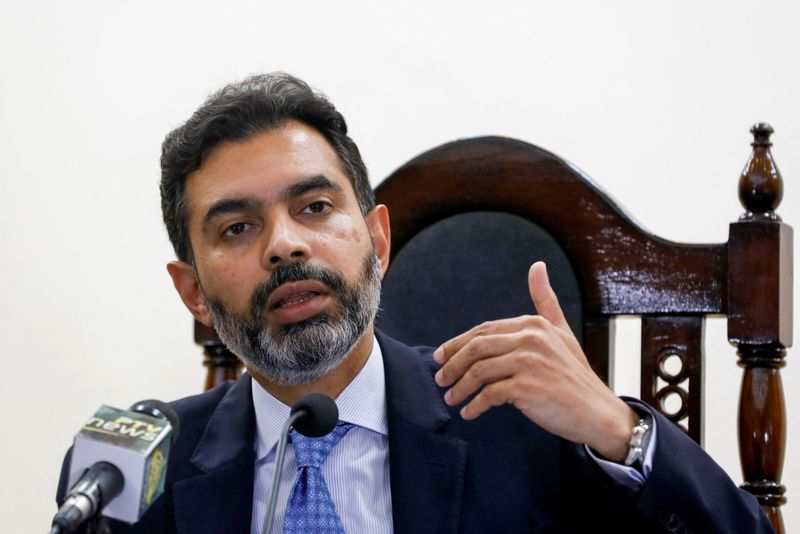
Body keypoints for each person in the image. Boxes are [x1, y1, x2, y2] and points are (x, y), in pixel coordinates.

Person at [58, 73, 773, 533]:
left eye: (313, 205)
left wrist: (620, 432)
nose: (284, 246)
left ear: (376, 240)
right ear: (194, 296)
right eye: (238, 227)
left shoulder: (522, 421)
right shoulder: (131, 472)